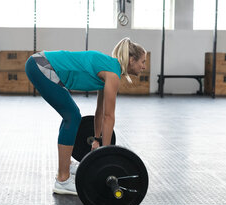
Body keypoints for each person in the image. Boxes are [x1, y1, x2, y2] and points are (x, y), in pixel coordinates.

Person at [25, 38, 148, 195]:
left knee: (72, 115)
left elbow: (100, 112)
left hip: (40, 63)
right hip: (41, 66)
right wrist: (105, 154)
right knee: (72, 116)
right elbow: (109, 117)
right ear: (132, 60)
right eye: (142, 62)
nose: (144, 66)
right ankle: (62, 180)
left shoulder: (109, 67)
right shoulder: (112, 74)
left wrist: (97, 140)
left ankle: (66, 166)